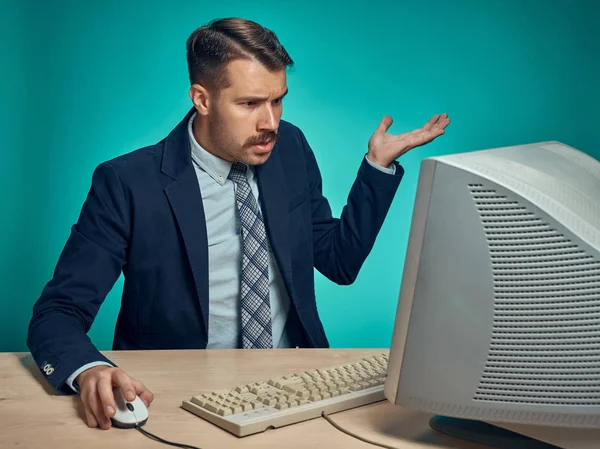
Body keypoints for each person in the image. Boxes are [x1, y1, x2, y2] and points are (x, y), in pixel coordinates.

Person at [26, 17, 450, 430]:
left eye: (278, 100)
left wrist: (377, 167)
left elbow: (338, 261)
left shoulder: (291, 149)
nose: (270, 123)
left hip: (295, 387)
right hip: (177, 397)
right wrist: (90, 371)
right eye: (249, 104)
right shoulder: (127, 182)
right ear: (202, 99)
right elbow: (57, 312)